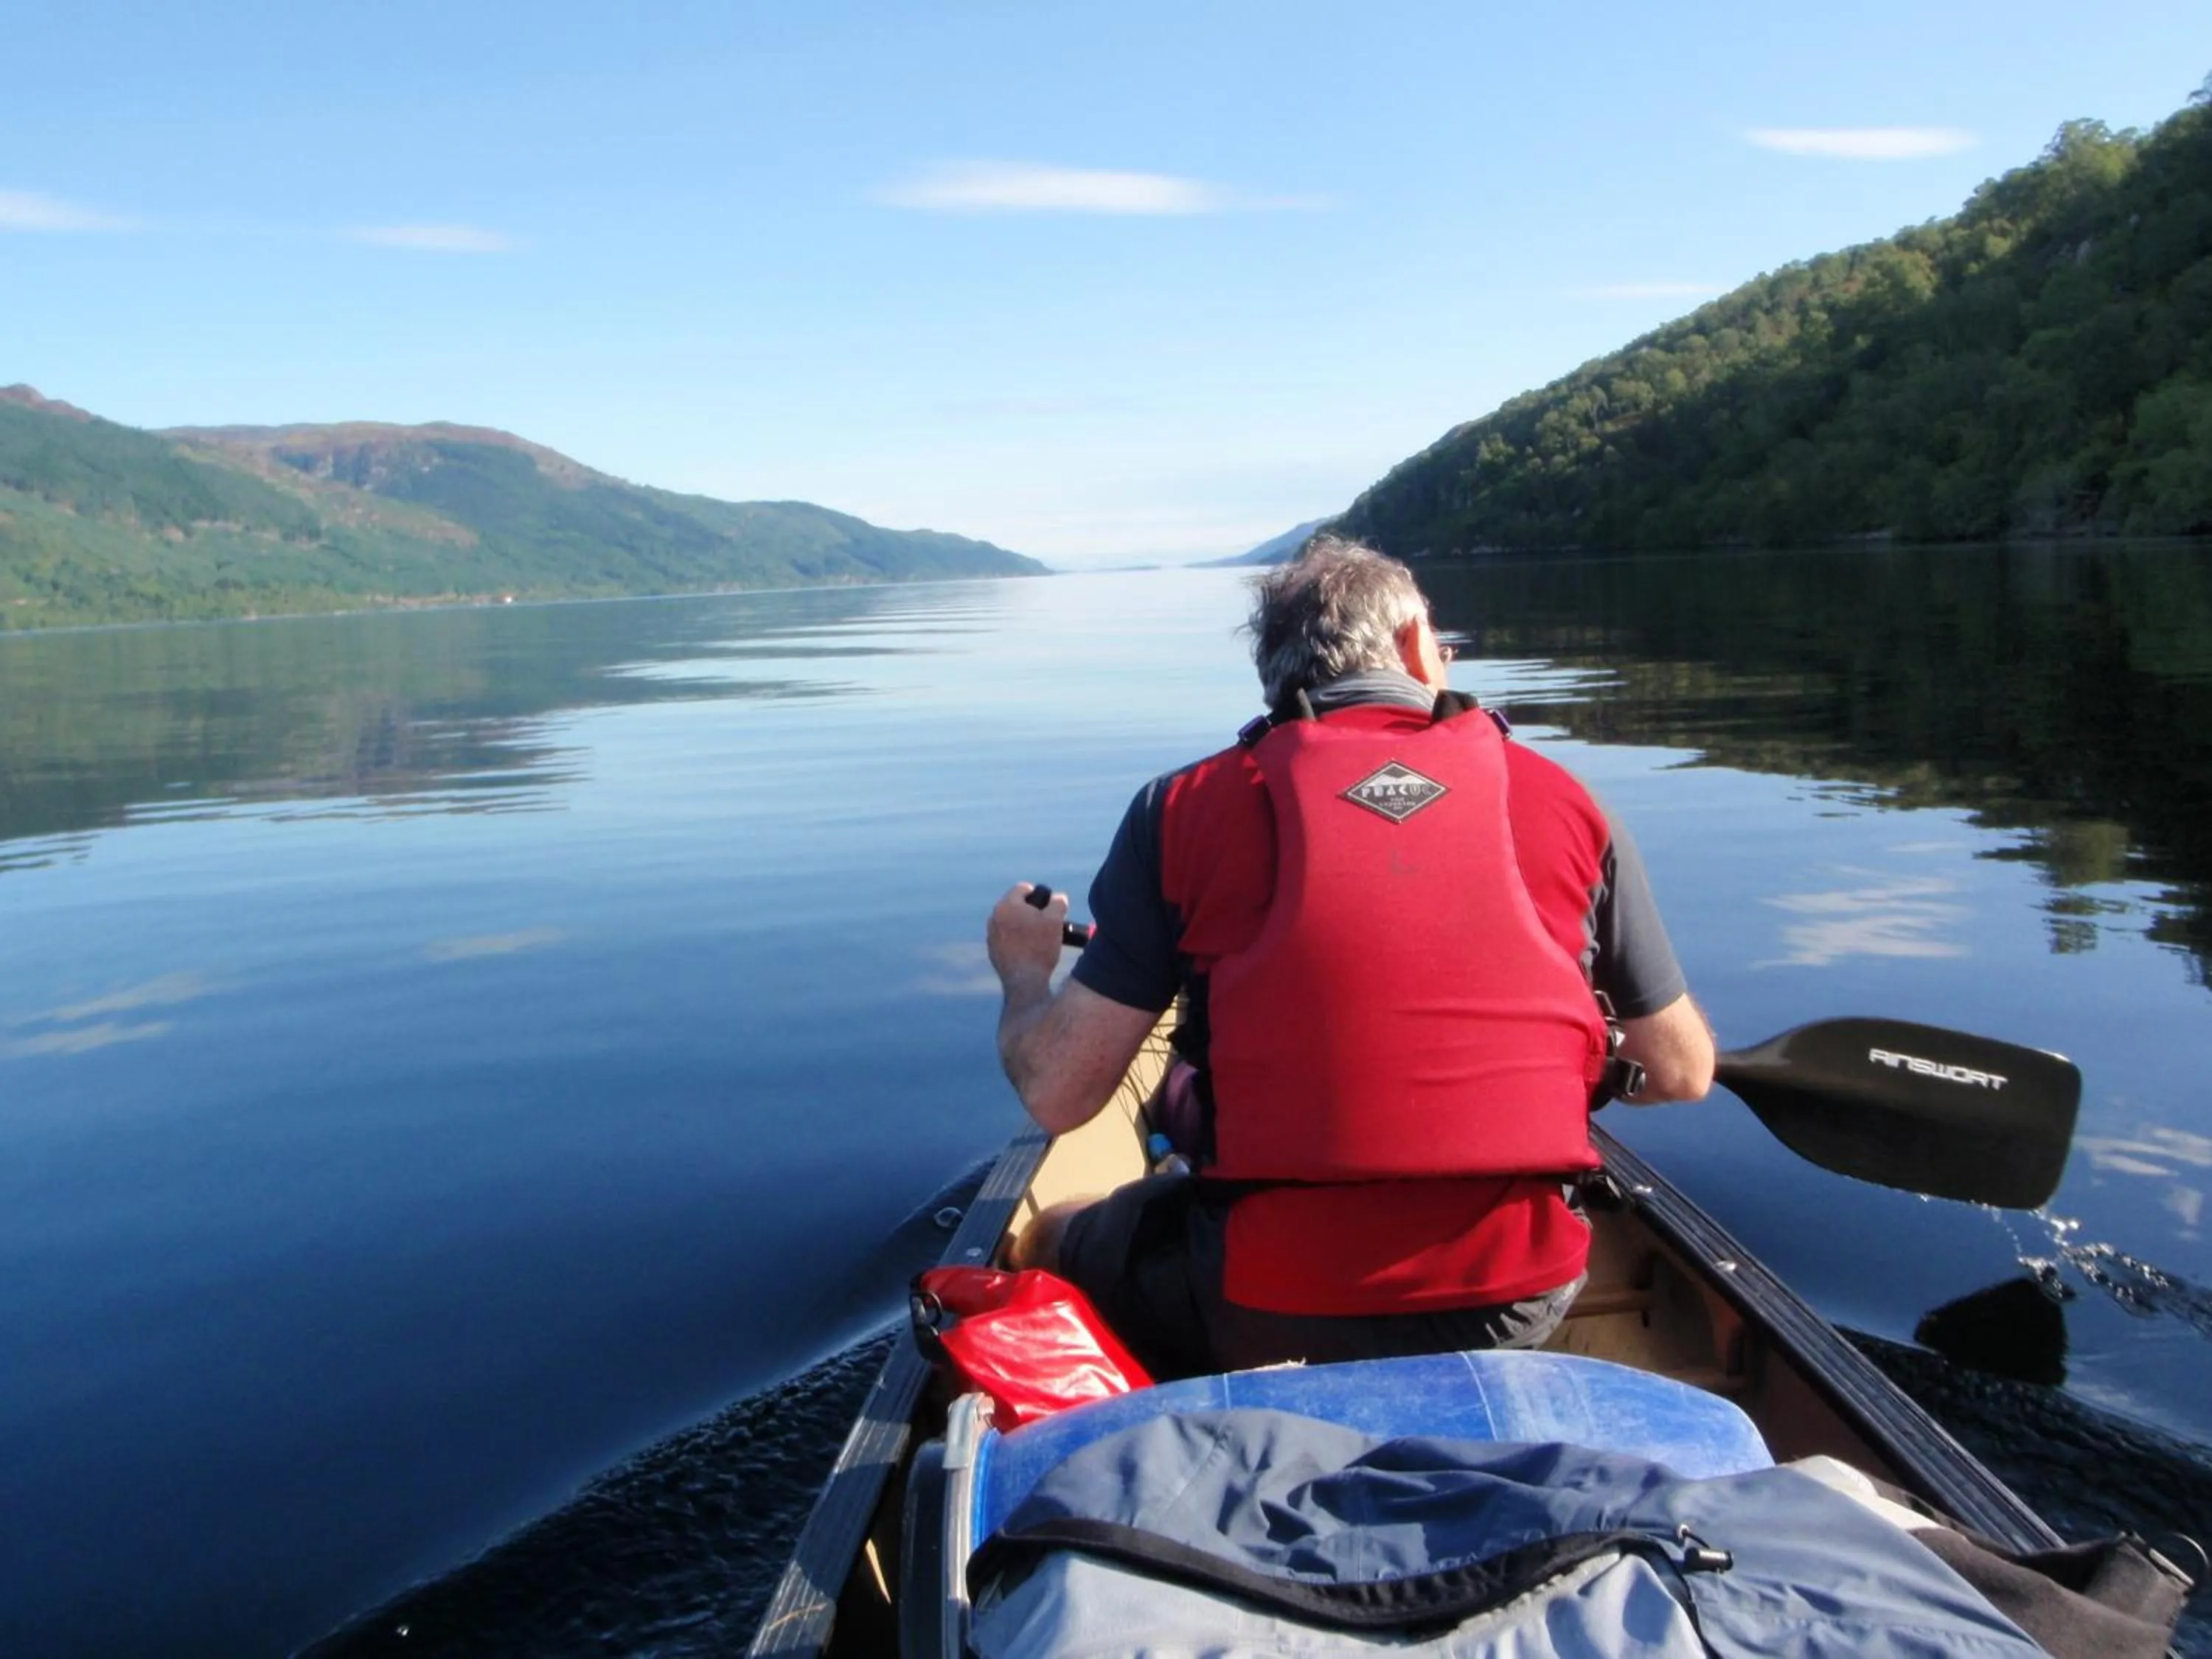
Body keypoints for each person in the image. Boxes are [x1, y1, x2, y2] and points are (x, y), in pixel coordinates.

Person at [984, 536, 1714, 1380]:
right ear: (1411, 646)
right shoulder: (1569, 803)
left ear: (1280, 677)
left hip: (1261, 1305)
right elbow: (1682, 1074)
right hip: (1514, 1303)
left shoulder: (1179, 810)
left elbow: (1058, 1093)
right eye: (1443, 641)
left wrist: (1024, 974)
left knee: (1056, 1228)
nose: (1444, 656)